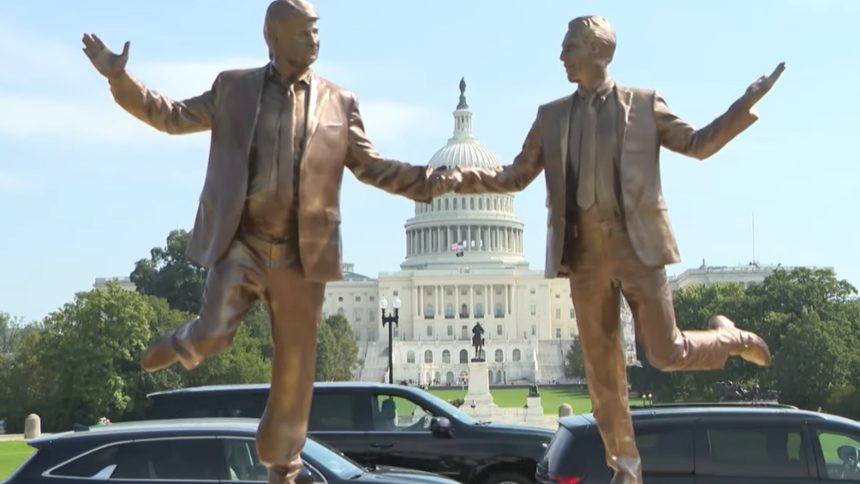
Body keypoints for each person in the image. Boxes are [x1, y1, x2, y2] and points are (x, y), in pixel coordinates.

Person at [81, 1, 449, 482]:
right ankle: (183, 342)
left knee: (295, 374)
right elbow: (170, 116)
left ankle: (284, 469)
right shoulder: (234, 88)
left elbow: (371, 165)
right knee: (214, 334)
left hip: (302, 255)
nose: (314, 42)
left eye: (317, 32)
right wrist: (120, 81)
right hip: (242, 242)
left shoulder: (340, 102)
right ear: (273, 38)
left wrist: (426, 182)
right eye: (304, 34)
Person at [450, 15, 783, 484]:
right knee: (603, 377)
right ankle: (626, 473)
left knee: (666, 353)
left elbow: (697, 143)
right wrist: (455, 178)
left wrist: (741, 106)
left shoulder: (643, 106)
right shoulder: (551, 116)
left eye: (570, 47)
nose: (561, 56)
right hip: (583, 256)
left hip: (636, 248)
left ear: (598, 51)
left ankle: (729, 338)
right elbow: (512, 177)